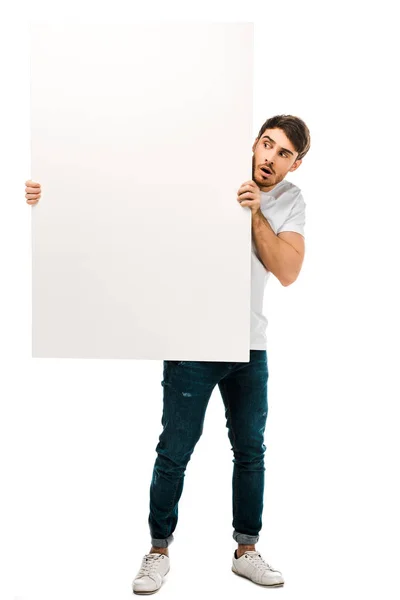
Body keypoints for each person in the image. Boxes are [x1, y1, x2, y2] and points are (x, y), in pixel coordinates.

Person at [25, 114, 311, 594]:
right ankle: (158, 551)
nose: (270, 157)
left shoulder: (290, 200)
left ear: (295, 164)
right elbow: (132, 190)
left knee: (250, 452)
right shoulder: (209, 172)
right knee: (174, 450)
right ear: (255, 142)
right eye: (266, 144)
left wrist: (256, 212)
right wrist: (52, 195)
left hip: (248, 344)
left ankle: (247, 550)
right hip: (191, 339)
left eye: (283, 153)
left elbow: (288, 270)